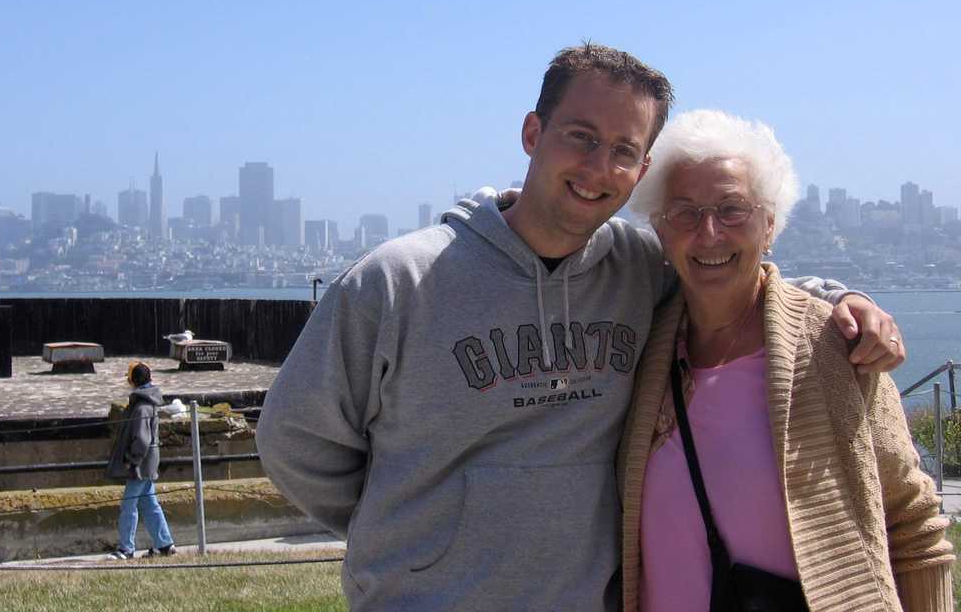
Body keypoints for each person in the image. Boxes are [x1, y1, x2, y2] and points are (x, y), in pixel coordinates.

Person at [256, 44, 903, 611]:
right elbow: (295, 439)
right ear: (533, 132)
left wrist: (841, 298)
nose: (598, 167)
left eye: (624, 150)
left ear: (643, 171)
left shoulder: (640, 269)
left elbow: (736, 273)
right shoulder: (398, 280)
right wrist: (411, 530)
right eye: (581, 136)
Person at [618, 109, 953, 611]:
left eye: (732, 209)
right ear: (661, 233)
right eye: (684, 212)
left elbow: (913, 524)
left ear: (769, 224)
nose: (709, 233)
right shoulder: (639, 352)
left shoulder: (835, 347)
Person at [106, 361, 177, 560]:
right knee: (150, 504)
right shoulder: (147, 403)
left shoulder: (141, 407)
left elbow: (142, 440)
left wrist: (131, 459)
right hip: (147, 464)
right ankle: (165, 544)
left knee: (128, 506)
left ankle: (126, 549)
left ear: (134, 380)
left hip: (140, 465)